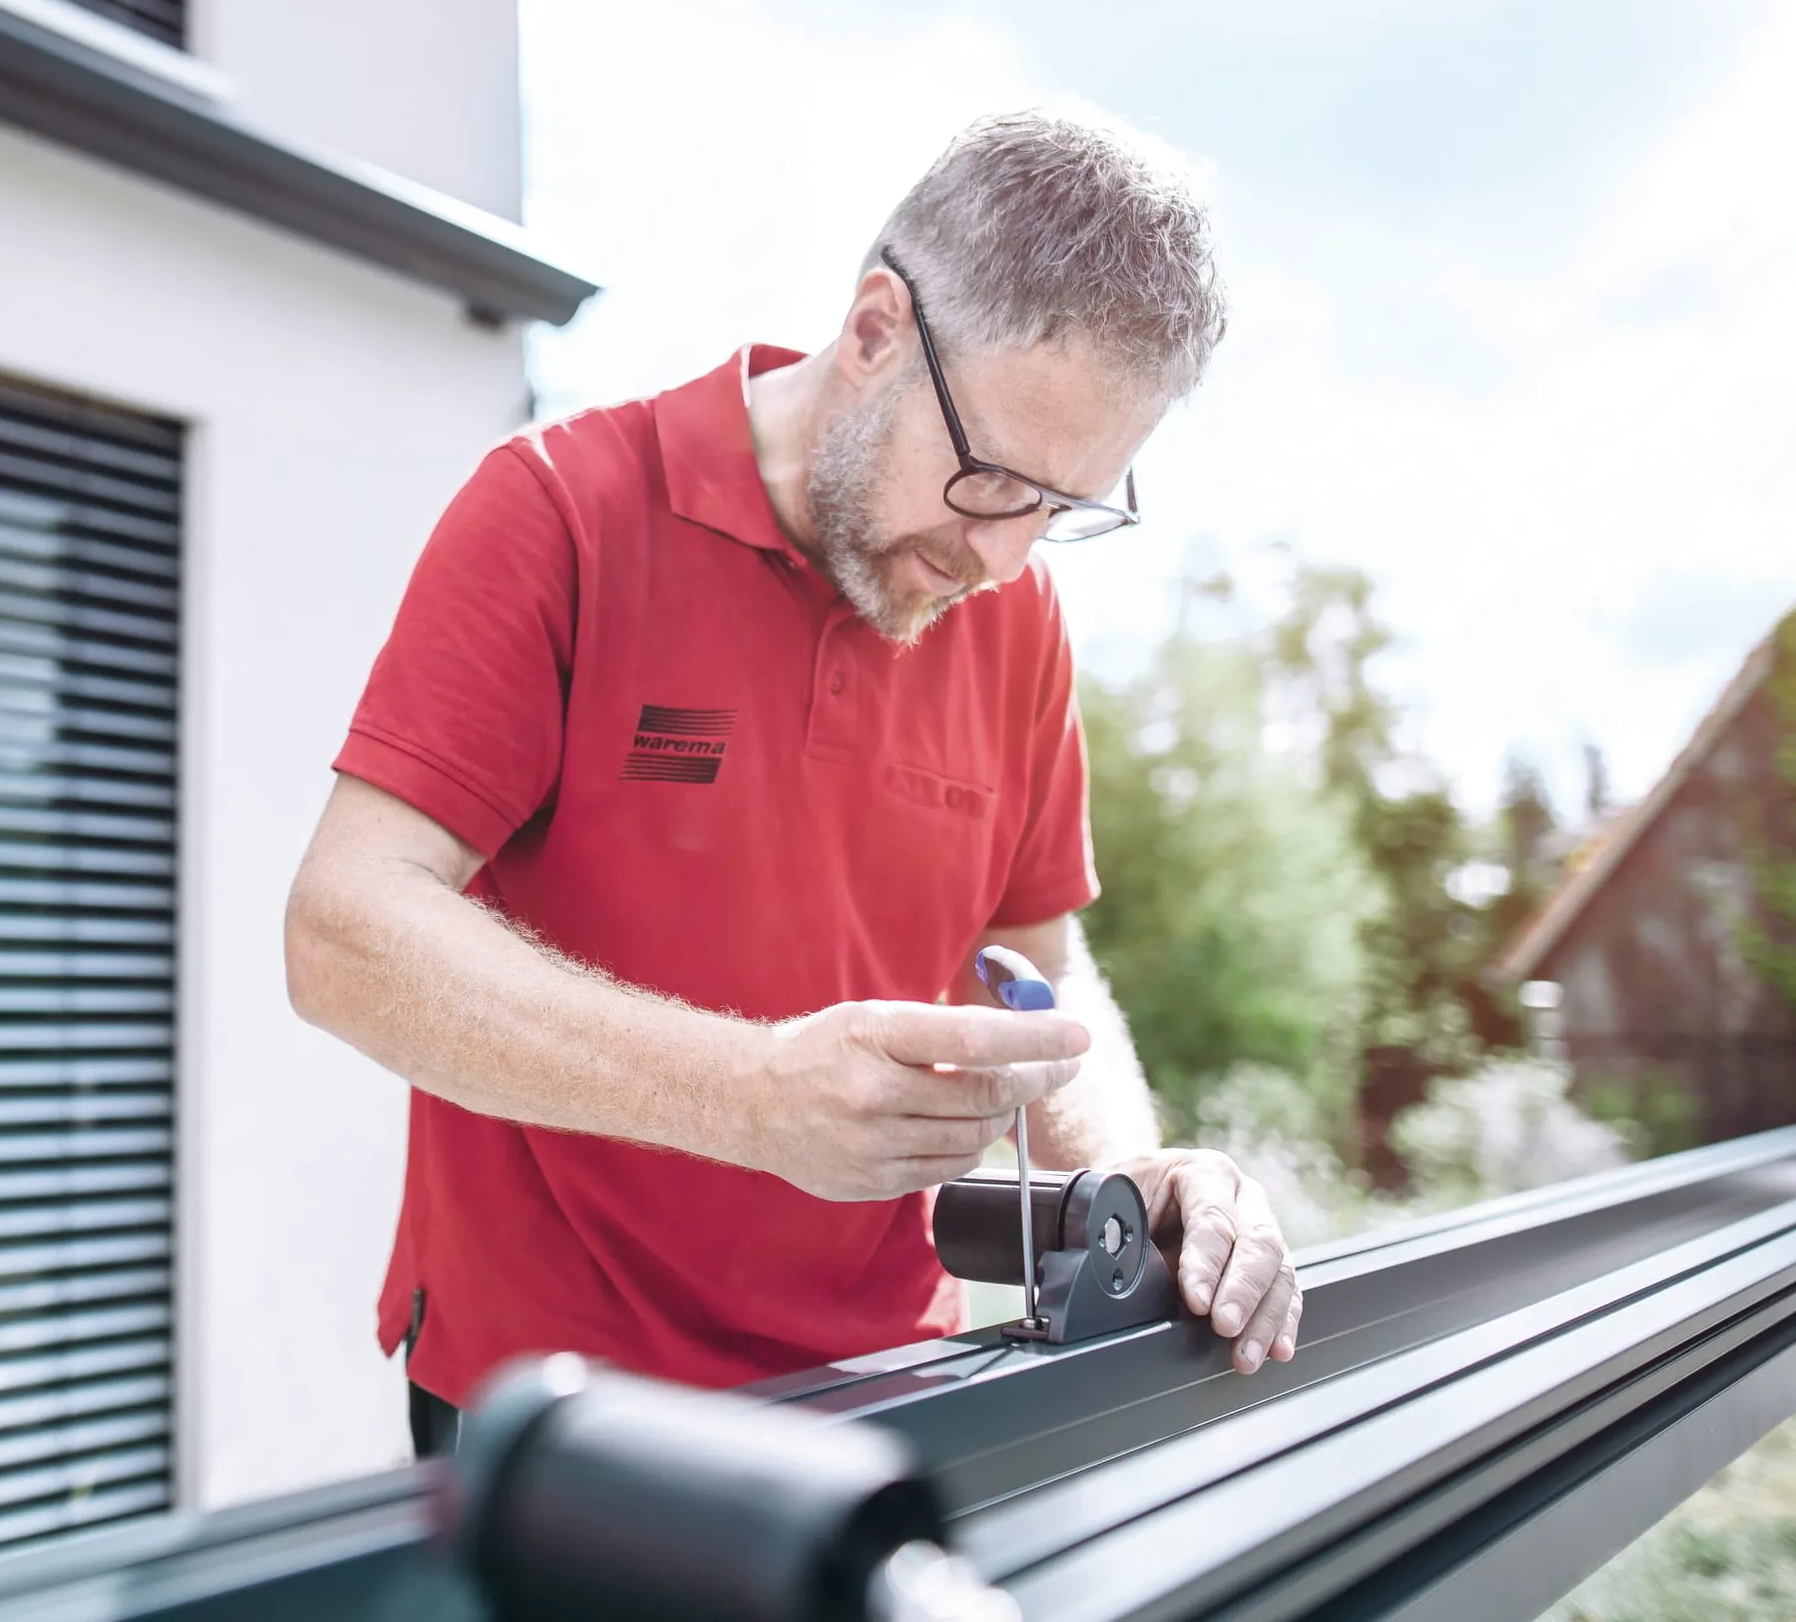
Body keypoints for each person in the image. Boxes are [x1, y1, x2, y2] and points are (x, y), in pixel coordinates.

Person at [285, 110, 1303, 1456]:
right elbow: (343, 931)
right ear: (876, 327)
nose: (1001, 558)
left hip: (897, 1391)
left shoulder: (1014, 613)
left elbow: (1036, 963)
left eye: (1059, 506)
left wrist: (1130, 1167)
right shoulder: (559, 512)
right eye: (991, 475)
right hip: (555, 1416)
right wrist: (751, 1096)